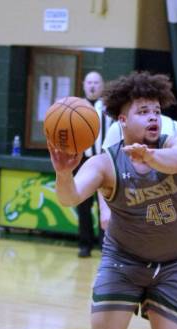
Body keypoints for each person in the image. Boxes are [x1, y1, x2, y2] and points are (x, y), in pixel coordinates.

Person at [49, 71, 177, 329]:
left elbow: (176, 163)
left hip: (175, 263)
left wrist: (151, 157)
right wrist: (64, 173)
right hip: (124, 260)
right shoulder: (105, 162)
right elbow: (70, 197)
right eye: (143, 111)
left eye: (156, 110)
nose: (153, 117)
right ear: (122, 119)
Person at [76, 71, 113, 257]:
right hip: (82, 161)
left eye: (96, 83)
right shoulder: (76, 107)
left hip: (104, 160)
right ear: (83, 84)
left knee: (105, 205)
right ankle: (85, 244)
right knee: (83, 204)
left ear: (102, 85)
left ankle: (104, 244)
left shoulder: (109, 108)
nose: (92, 86)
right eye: (89, 82)